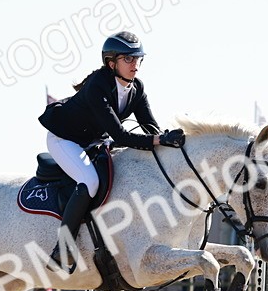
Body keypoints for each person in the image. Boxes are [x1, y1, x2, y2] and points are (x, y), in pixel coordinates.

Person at [38, 31, 184, 272]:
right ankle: (62, 249)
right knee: (90, 181)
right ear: (111, 62)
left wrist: (170, 141)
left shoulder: (137, 88)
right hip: (64, 139)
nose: (135, 65)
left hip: (94, 140)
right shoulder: (98, 85)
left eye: (137, 59)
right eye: (128, 59)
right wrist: (159, 139)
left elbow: (150, 127)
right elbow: (122, 136)